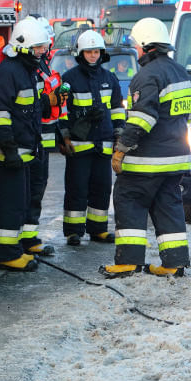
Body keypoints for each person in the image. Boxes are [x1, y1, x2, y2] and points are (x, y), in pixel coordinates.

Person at [99, 17, 191, 279]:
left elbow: (144, 118)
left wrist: (121, 148)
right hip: (176, 159)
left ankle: (128, 262)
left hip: (146, 161)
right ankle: (174, 263)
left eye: (136, 45)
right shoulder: (180, 72)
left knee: (128, 199)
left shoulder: (147, 76)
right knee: (168, 207)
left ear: (145, 45)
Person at [0, 17, 49, 271]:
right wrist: (9, 149)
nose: (41, 53)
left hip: (22, 155)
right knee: (10, 205)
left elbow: (30, 112)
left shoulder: (26, 71)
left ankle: (13, 250)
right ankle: (6, 254)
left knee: (20, 203)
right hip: (8, 156)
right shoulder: (8, 73)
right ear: (23, 47)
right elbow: (0, 114)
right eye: (37, 49)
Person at [59, 30, 125, 246]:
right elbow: (62, 112)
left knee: (102, 188)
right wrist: (65, 137)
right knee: (77, 188)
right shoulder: (69, 79)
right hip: (78, 147)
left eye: (96, 51)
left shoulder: (110, 78)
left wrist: (118, 136)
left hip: (103, 145)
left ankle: (98, 230)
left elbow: (117, 110)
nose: (93, 56)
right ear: (81, 53)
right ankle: (73, 231)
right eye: (88, 52)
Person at [19, 15, 67, 256]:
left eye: (46, 45)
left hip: (43, 138)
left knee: (37, 189)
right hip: (30, 138)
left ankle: (29, 238)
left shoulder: (43, 64)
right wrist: (46, 100)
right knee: (27, 190)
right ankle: (21, 240)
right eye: (42, 45)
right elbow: (25, 101)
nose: (44, 49)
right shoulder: (27, 66)